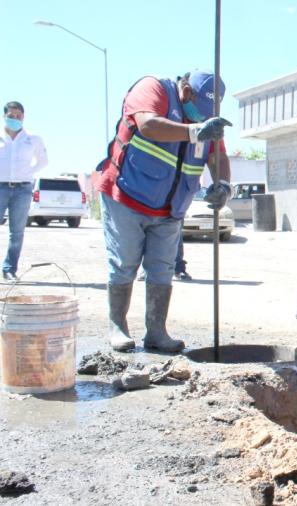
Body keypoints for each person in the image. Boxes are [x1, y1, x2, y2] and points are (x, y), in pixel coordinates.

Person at [95, 70, 232, 352]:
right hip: (127, 197)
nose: (200, 119)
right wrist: (194, 131)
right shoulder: (153, 89)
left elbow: (217, 155)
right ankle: (118, 327)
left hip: (171, 207)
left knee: (162, 269)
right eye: (198, 112)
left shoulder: (206, 122)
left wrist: (224, 186)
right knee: (124, 262)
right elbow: (148, 125)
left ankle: (156, 332)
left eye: (206, 116)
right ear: (186, 92)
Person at [0, 101, 48, 281]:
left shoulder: (33, 139)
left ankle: (9, 269)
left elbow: (43, 161)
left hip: (23, 189)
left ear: (24, 117)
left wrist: (28, 172)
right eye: (11, 116)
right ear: (4, 116)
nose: (15, 119)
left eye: (18, 116)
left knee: (17, 231)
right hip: (0, 187)